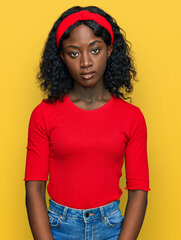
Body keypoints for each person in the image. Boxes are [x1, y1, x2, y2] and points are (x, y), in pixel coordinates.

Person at [24, 6, 151, 240]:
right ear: (61, 57)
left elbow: (139, 192)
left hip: (112, 229)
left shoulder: (131, 117)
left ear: (110, 50)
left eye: (95, 50)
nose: (85, 62)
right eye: (74, 53)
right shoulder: (43, 115)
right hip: (58, 228)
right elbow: (34, 190)